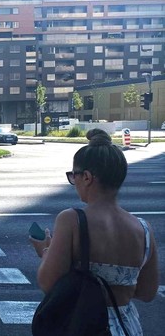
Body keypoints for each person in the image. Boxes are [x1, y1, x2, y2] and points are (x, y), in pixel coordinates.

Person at [29, 129, 159, 335]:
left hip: (83, 323)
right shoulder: (143, 228)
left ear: (87, 177)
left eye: (74, 176)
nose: (74, 182)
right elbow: (147, 292)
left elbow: (48, 283)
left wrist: (45, 250)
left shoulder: (71, 219)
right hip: (126, 326)